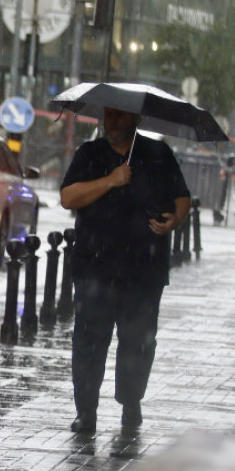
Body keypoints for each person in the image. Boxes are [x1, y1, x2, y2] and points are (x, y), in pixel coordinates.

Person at [59, 107, 191, 435]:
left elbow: (182, 197)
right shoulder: (89, 153)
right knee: (89, 341)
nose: (112, 122)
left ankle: (131, 402)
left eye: (120, 116)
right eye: (109, 116)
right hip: (95, 266)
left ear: (135, 119)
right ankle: (86, 411)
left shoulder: (158, 154)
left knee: (138, 342)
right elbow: (68, 197)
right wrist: (111, 180)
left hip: (144, 270)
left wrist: (174, 220)